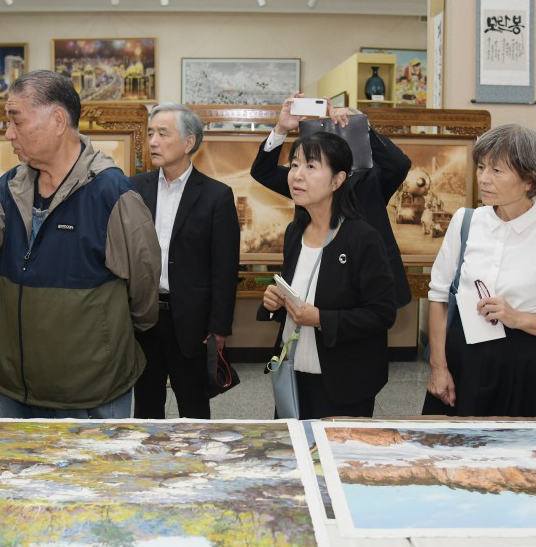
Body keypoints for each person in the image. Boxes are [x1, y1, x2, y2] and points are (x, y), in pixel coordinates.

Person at [0, 70, 160, 419]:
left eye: (16, 121)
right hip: (15, 386)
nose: (8, 134)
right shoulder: (11, 187)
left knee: (93, 475)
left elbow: (143, 286)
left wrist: (111, 338)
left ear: (58, 120)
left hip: (90, 390)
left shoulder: (112, 193)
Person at [423, 124, 536, 417]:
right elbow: (438, 296)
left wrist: (518, 318)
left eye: (497, 171)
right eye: (481, 167)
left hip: (527, 369)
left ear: (530, 179)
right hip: (463, 359)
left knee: (523, 460)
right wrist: (439, 368)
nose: (484, 179)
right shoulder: (466, 222)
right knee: (452, 456)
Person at [258, 131, 396, 419]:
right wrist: (275, 302)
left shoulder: (361, 238)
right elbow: (296, 292)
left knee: (338, 459)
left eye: (311, 166)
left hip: (343, 379)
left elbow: (382, 313)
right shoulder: (295, 231)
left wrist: (321, 319)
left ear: (337, 180)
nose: (297, 175)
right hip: (292, 371)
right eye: (294, 165)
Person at [130, 104, 240, 419]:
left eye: (163, 134)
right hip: (145, 319)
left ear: (188, 142)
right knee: (146, 406)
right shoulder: (136, 188)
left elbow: (224, 268)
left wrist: (219, 327)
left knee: (193, 407)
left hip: (192, 323)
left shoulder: (216, 196)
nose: (153, 141)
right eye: (151, 133)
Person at [251, 93, 412, 308]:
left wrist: (361, 127)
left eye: (348, 127)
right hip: (319, 287)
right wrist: (281, 129)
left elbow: (399, 164)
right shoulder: (306, 180)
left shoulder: (375, 177)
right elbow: (263, 171)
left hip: (369, 283)